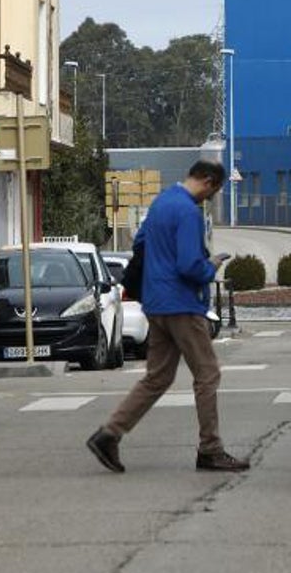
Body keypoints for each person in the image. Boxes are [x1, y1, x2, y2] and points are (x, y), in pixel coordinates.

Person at [86, 159, 249, 473]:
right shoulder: (188, 212)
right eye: (213, 192)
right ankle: (210, 449)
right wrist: (211, 265)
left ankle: (109, 434)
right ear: (206, 180)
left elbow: (141, 243)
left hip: (156, 303)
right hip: (182, 305)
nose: (210, 199)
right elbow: (190, 265)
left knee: (157, 377)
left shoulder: (161, 203)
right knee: (207, 373)